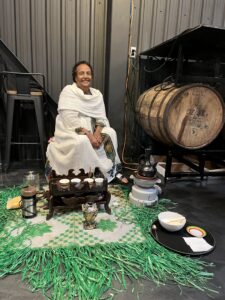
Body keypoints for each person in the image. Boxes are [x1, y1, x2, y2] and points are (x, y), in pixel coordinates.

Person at [46, 61, 128, 183]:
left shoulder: (97, 94)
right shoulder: (68, 91)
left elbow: (101, 117)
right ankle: (83, 177)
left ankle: (110, 172)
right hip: (71, 129)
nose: (85, 76)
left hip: (92, 128)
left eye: (88, 73)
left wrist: (97, 132)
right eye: (81, 73)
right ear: (75, 77)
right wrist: (89, 135)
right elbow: (70, 120)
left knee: (111, 132)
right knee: (82, 141)